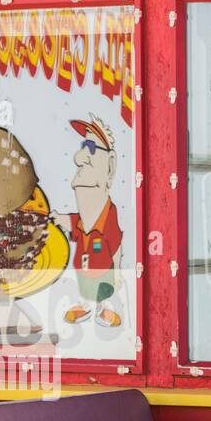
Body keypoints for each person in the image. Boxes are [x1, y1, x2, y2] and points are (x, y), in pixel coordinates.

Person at [52, 115, 124, 327]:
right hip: (83, 273)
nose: (78, 157)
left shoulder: (107, 218)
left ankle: (104, 310)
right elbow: (73, 222)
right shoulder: (84, 222)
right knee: (86, 293)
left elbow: (117, 246)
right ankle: (85, 307)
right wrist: (58, 218)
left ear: (109, 167)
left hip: (103, 273)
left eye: (90, 146)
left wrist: (119, 273)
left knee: (102, 293)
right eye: (83, 145)